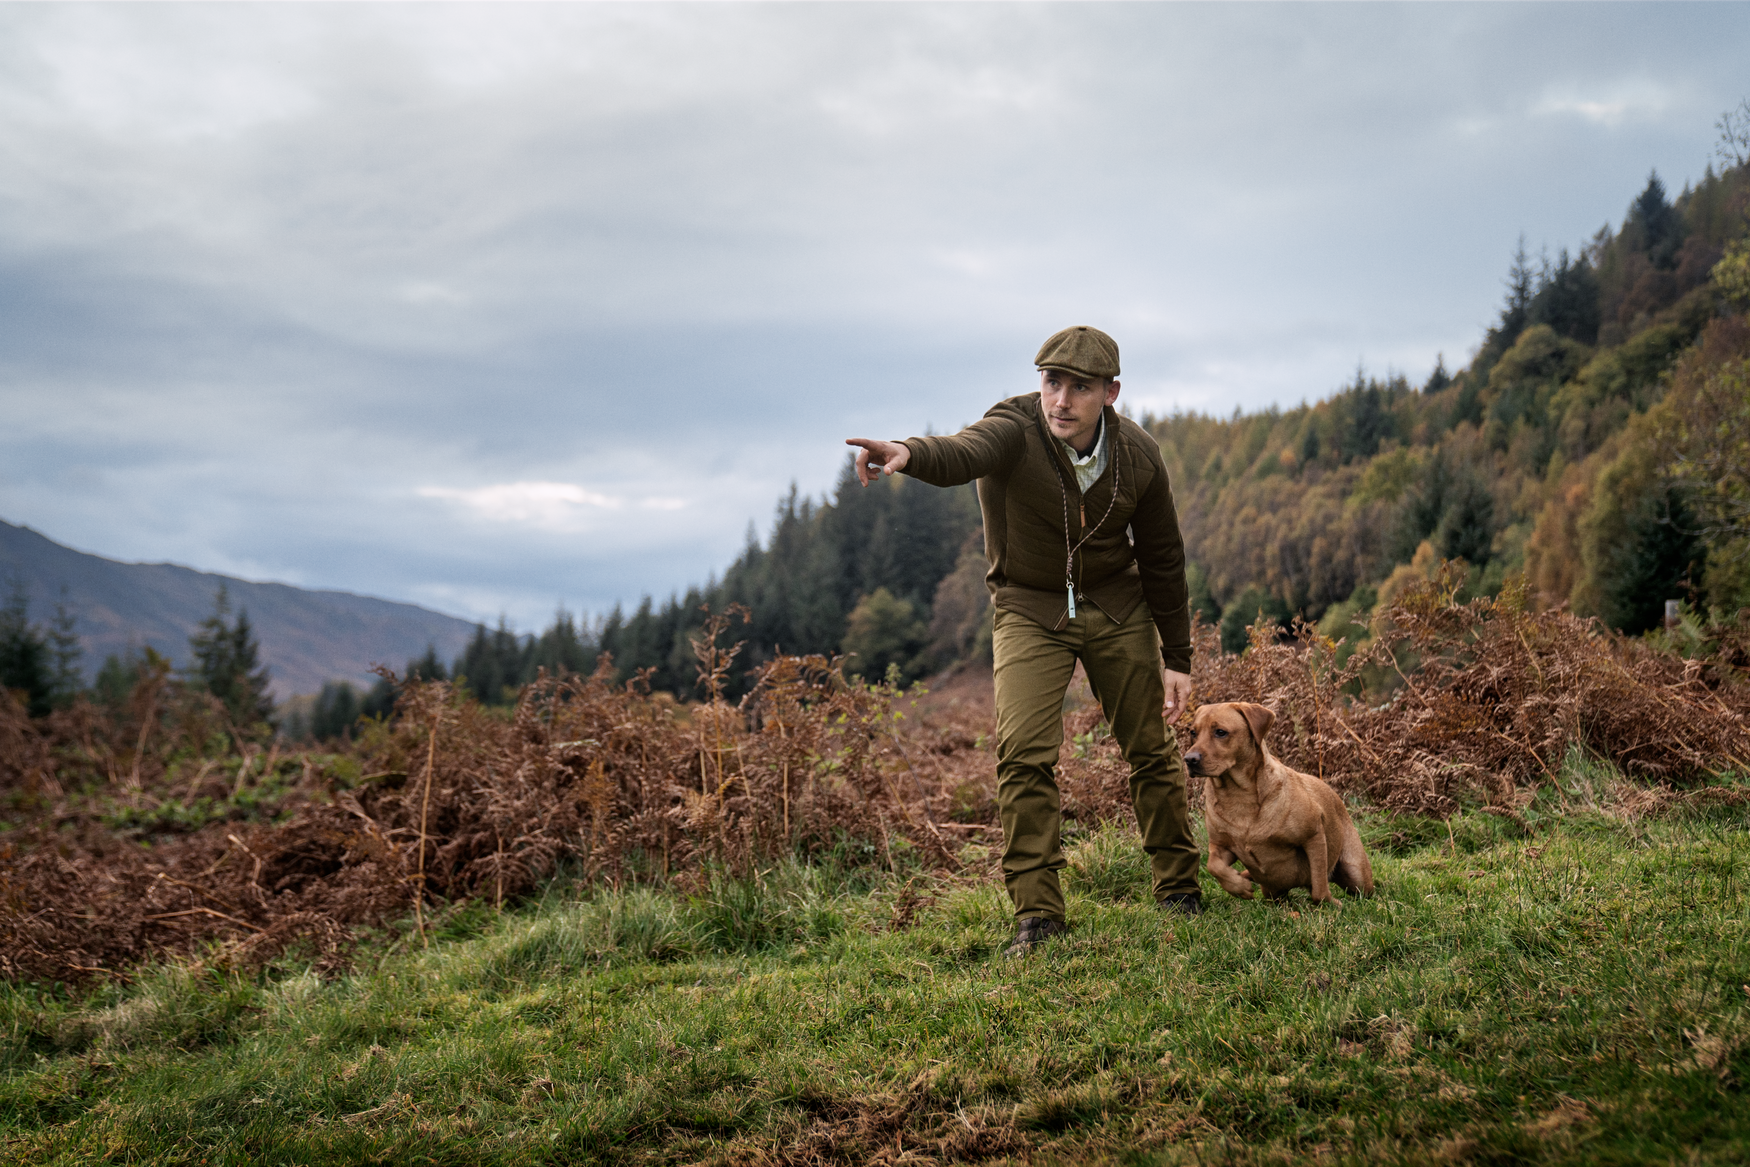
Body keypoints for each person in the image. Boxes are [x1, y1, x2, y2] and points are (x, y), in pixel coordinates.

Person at [845, 325, 1202, 958]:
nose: (1060, 400)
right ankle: (1038, 915)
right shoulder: (1014, 428)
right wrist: (906, 452)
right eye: (1051, 382)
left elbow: (1163, 556)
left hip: (1117, 607)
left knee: (1150, 749)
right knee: (1024, 754)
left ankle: (1179, 890)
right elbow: (963, 451)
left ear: (1110, 393)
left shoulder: (1139, 457)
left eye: (1079, 387)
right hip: (1029, 608)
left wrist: (1177, 656)